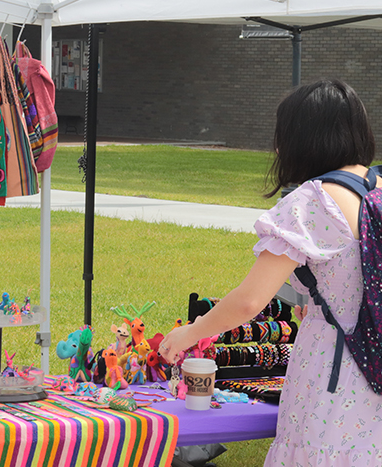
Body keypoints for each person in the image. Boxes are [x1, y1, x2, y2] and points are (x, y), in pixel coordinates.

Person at [159, 78, 382, 466]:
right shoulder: (377, 186)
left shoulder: (313, 201)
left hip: (335, 369)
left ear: (301, 137)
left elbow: (249, 302)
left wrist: (192, 332)